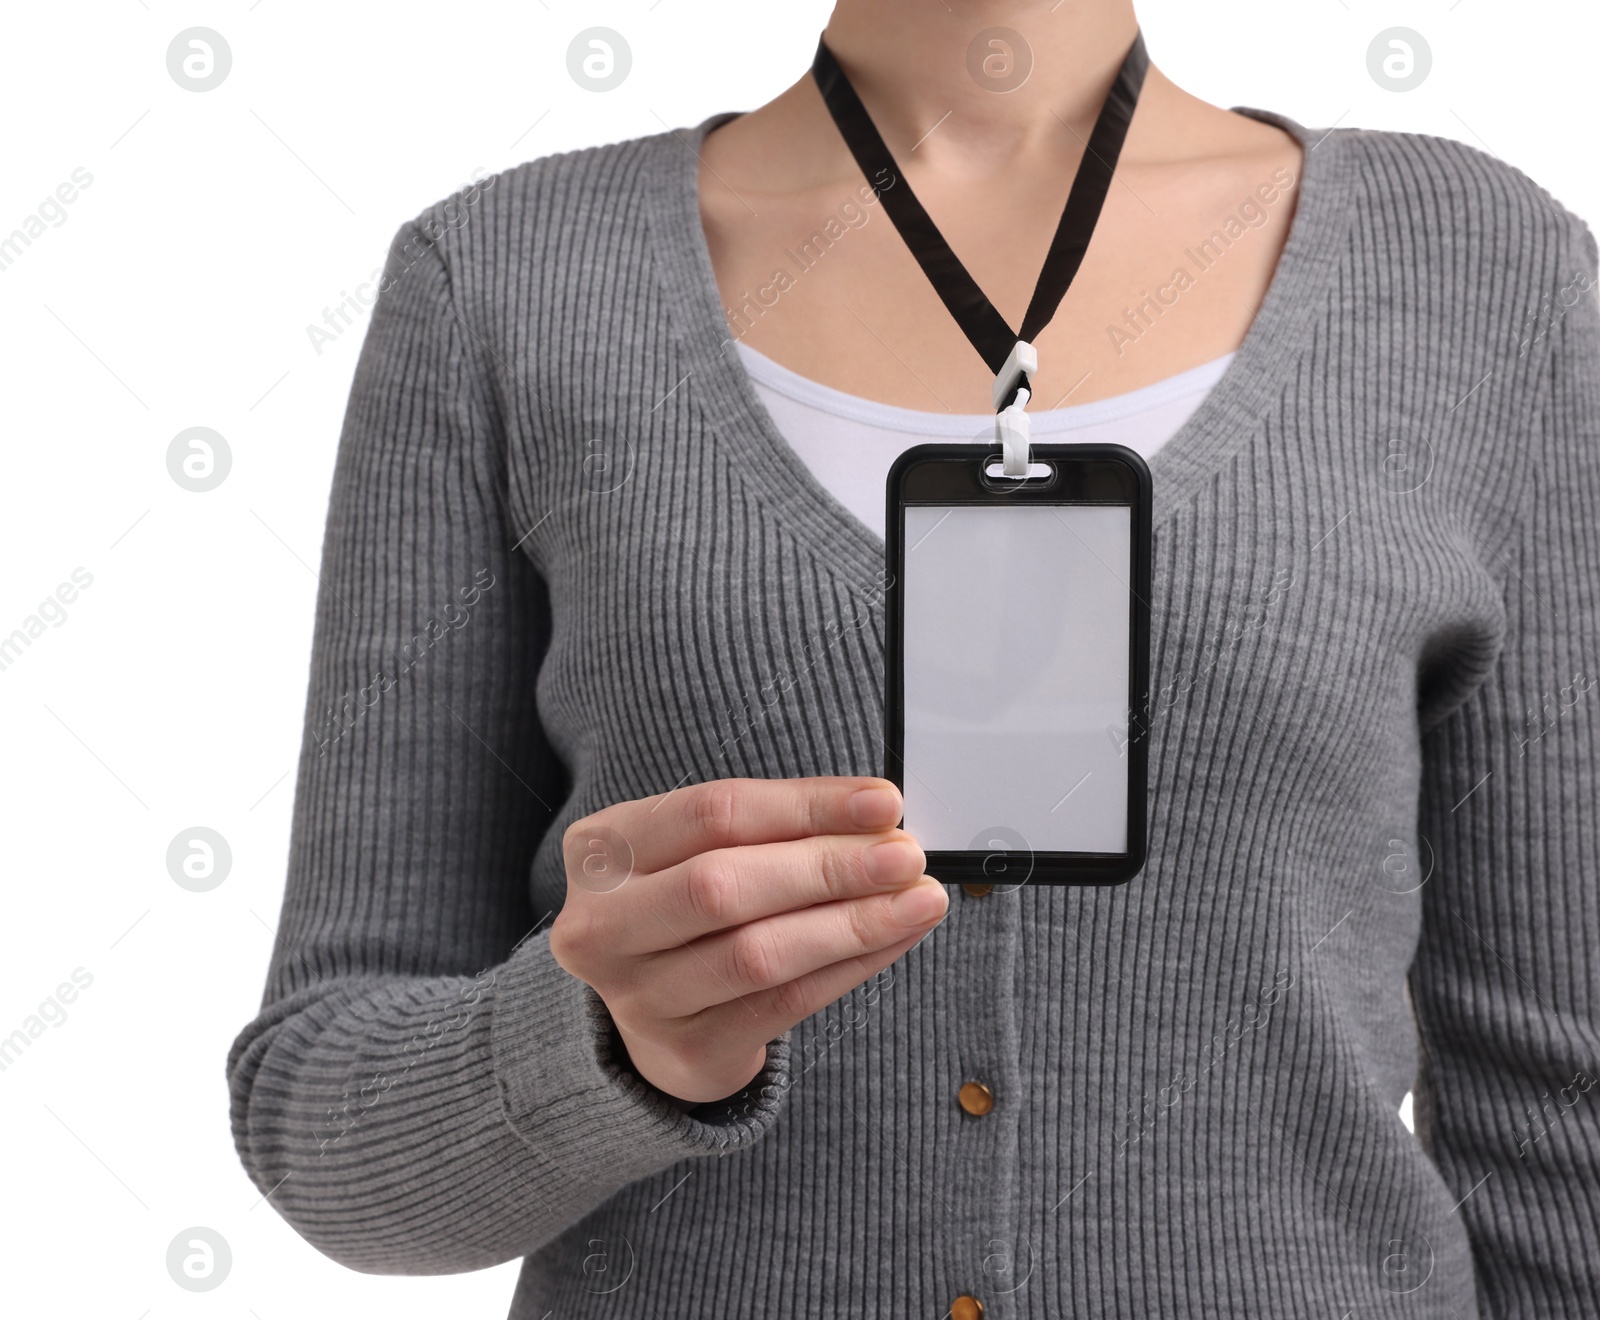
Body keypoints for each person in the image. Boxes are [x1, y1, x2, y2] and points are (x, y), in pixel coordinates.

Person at [226, 2, 1600, 1316]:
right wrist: (599, 1038)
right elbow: (321, 1121)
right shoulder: (503, 286)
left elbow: (1564, 1114)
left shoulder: (1482, 279)